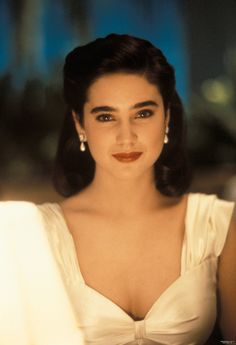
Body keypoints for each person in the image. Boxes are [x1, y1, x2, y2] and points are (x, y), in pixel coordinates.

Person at [0, 34, 235, 345]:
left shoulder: (219, 225)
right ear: (80, 124)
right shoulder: (35, 236)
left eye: (142, 113)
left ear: (166, 118)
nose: (127, 136)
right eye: (106, 116)